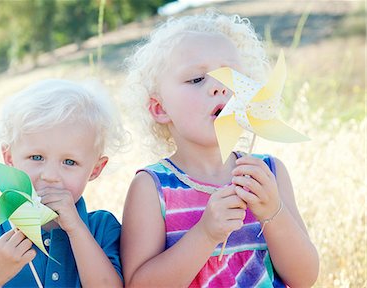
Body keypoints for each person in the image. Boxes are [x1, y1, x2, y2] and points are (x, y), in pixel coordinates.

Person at [120, 11, 319, 287]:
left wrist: (273, 212)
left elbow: (304, 277)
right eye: (197, 79)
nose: (219, 88)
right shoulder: (152, 188)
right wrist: (206, 234)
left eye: (232, 77)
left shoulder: (268, 174)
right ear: (160, 108)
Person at [0, 79, 125, 287]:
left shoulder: (102, 229)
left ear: (95, 169)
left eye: (69, 162)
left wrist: (76, 229)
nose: (50, 175)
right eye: (36, 157)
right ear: (9, 158)